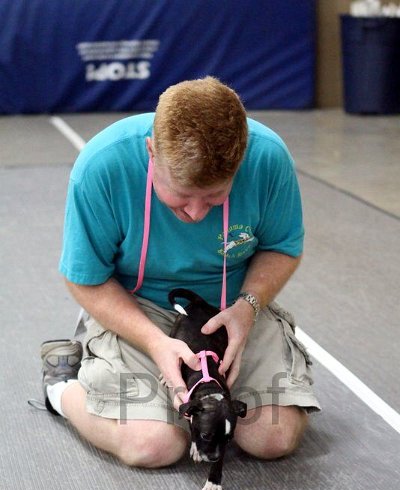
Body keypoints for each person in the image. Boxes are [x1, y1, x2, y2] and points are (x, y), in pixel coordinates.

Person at [40, 76, 320, 468]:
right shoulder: (103, 166)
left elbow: (281, 248)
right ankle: (62, 389)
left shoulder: (268, 158)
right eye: (181, 196)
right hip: (138, 306)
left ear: (239, 164)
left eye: (214, 197)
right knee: (153, 446)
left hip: (231, 306)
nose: (195, 214)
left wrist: (248, 308)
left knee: (272, 437)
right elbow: (85, 278)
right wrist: (154, 343)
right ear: (151, 151)